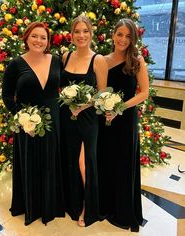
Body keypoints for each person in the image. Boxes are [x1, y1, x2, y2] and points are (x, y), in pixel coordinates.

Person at [2, 22, 65, 225]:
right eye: (34, 36)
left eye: (43, 37)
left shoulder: (56, 61)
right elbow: (7, 96)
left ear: (48, 41)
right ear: (27, 38)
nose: (39, 41)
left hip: (53, 122)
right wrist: (21, 119)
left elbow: (64, 88)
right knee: (30, 162)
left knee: (50, 161)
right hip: (27, 124)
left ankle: (51, 206)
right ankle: (31, 206)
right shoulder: (15, 64)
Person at [97, 18, 149, 232]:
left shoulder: (137, 61)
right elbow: (100, 91)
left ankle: (123, 211)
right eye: (120, 34)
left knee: (123, 163)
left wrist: (119, 107)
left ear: (133, 39)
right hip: (106, 119)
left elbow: (144, 93)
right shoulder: (103, 60)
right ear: (113, 35)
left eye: (128, 36)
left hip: (126, 120)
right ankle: (106, 206)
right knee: (106, 161)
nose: (123, 39)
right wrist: (106, 108)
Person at [60, 15, 108, 227]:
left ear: (91, 33)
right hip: (67, 116)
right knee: (70, 159)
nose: (81, 35)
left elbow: (102, 93)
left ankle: (89, 208)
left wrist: (84, 105)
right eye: (77, 31)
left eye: (85, 31)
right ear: (72, 34)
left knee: (84, 162)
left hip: (87, 118)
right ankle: (73, 202)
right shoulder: (65, 56)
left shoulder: (98, 60)